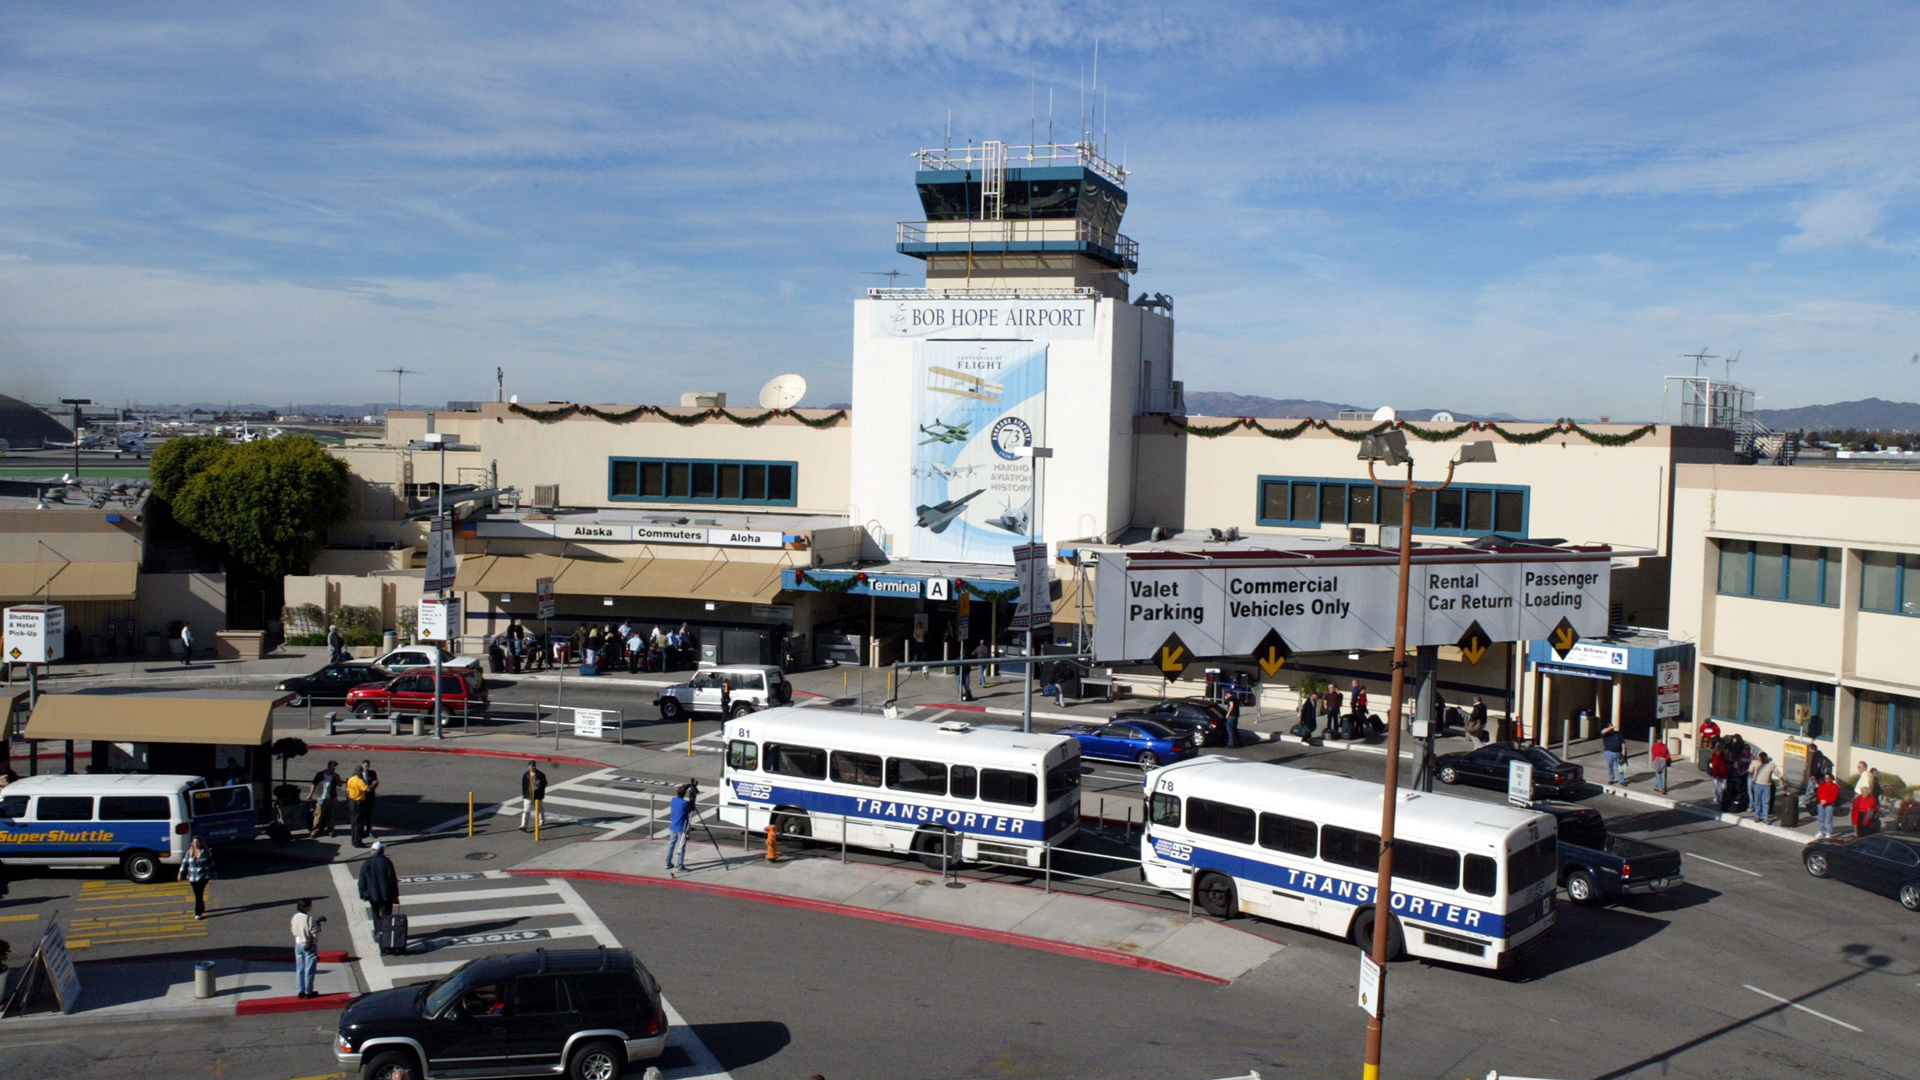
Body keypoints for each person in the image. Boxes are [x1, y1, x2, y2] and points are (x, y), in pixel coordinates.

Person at [357, 840, 400, 931]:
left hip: (372, 895)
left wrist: (363, 894)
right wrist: (395, 895)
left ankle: (377, 932)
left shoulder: (367, 863)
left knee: (375, 914)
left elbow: (362, 881)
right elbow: (392, 880)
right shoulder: (386, 862)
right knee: (387, 915)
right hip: (387, 895)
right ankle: (386, 933)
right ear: (381, 850)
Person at [290, 899, 323, 999]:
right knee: (309, 969)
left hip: (298, 944)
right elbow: (314, 933)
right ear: (306, 907)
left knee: (300, 968)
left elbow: (293, 929)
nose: (311, 907)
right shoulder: (309, 918)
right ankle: (309, 991)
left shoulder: (295, 917)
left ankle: (300, 990)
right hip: (309, 945)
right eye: (310, 905)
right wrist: (318, 927)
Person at [176, 837, 215, 919]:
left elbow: (211, 863)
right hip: (192, 877)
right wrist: (180, 874)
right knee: (197, 894)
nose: (196, 844)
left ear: (201, 843)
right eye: (194, 843)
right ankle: (202, 906)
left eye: (197, 842)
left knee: (198, 894)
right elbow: (184, 863)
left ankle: (198, 912)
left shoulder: (206, 852)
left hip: (203, 876)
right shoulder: (189, 852)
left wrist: (214, 873)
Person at [665, 784, 693, 874]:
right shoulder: (685, 803)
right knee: (681, 847)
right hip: (681, 827)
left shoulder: (673, 800)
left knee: (671, 844)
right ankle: (679, 866)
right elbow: (689, 810)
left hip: (673, 825)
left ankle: (667, 862)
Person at [309, 761, 341, 838]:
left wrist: (336, 777)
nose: (334, 768)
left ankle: (330, 830)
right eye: (333, 766)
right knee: (318, 815)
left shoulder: (335, 776)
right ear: (329, 766)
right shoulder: (320, 775)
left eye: (335, 767)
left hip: (331, 797)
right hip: (321, 797)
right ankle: (314, 831)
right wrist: (310, 795)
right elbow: (314, 784)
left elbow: (340, 784)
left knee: (331, 816)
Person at [346, 763, 372, 847]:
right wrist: (364, 781)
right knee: (359, 823)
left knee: (354, 823)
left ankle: (354, 839)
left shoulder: (351, 779)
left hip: (352, 801)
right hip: (358, 802)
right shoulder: (360, 781)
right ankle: (357, 842)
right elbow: (367, 789)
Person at [1853, 761, 1882, 836]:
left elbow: (1866, 787)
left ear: (1864, 767)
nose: (1858, 769)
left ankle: (1858, 833)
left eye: (1860, 767)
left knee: (1862, 822)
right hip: (1863, 799)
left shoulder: (1865, 775)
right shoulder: (1869, 774)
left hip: (1862, 801)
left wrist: (1864, 795)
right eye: (1858, 767)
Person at [1750, 752, 1778, 823]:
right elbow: (1750, 771)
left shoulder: (1771, 764)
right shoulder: (1756, 763)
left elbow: (1777, 773)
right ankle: (1757, 816)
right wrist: (1753, 779)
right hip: (1757, 784)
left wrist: (1783, 781)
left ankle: (1765, 817)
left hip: (1766, 785)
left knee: (1765, 802)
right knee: (1757, 801)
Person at [519, 760, 547, 832]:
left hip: (537, 796)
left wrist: (539, 785)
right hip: (528, 796)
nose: (532, 767)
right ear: (528, 767)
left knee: (539, 809)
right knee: (526, 810)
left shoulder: (540, 775)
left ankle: (541, 820)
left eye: (533, 766)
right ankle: (524, 826)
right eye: (531, 766)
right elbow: (524, 785)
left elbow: (544, 783)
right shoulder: (526, 775)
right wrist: (524, 794)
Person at [1814, 772, 1842, 840]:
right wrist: (1821, 800)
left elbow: (1834, 796)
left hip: (1829, 804)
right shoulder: (1822, 784)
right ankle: (1821, 831)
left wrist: (1826, 801)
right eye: (1825, 778)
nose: (1826, 780)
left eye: (1828, 778)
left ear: (1831, 778)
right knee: (1821, 818)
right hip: (1821, 803)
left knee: (1828, 819)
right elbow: (1819, 793)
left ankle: (1828, 832)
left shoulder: (1835, 786)